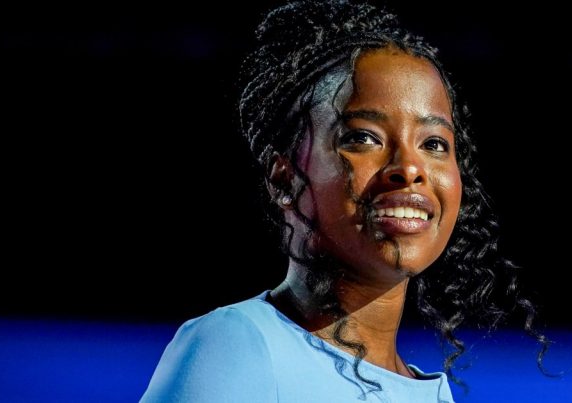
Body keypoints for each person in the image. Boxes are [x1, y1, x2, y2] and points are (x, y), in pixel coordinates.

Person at [141, 1, 547, 401]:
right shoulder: (238, 347)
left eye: (434, 144)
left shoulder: (430, 394)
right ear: (284, 178)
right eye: (363, 137)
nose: (410, 168)